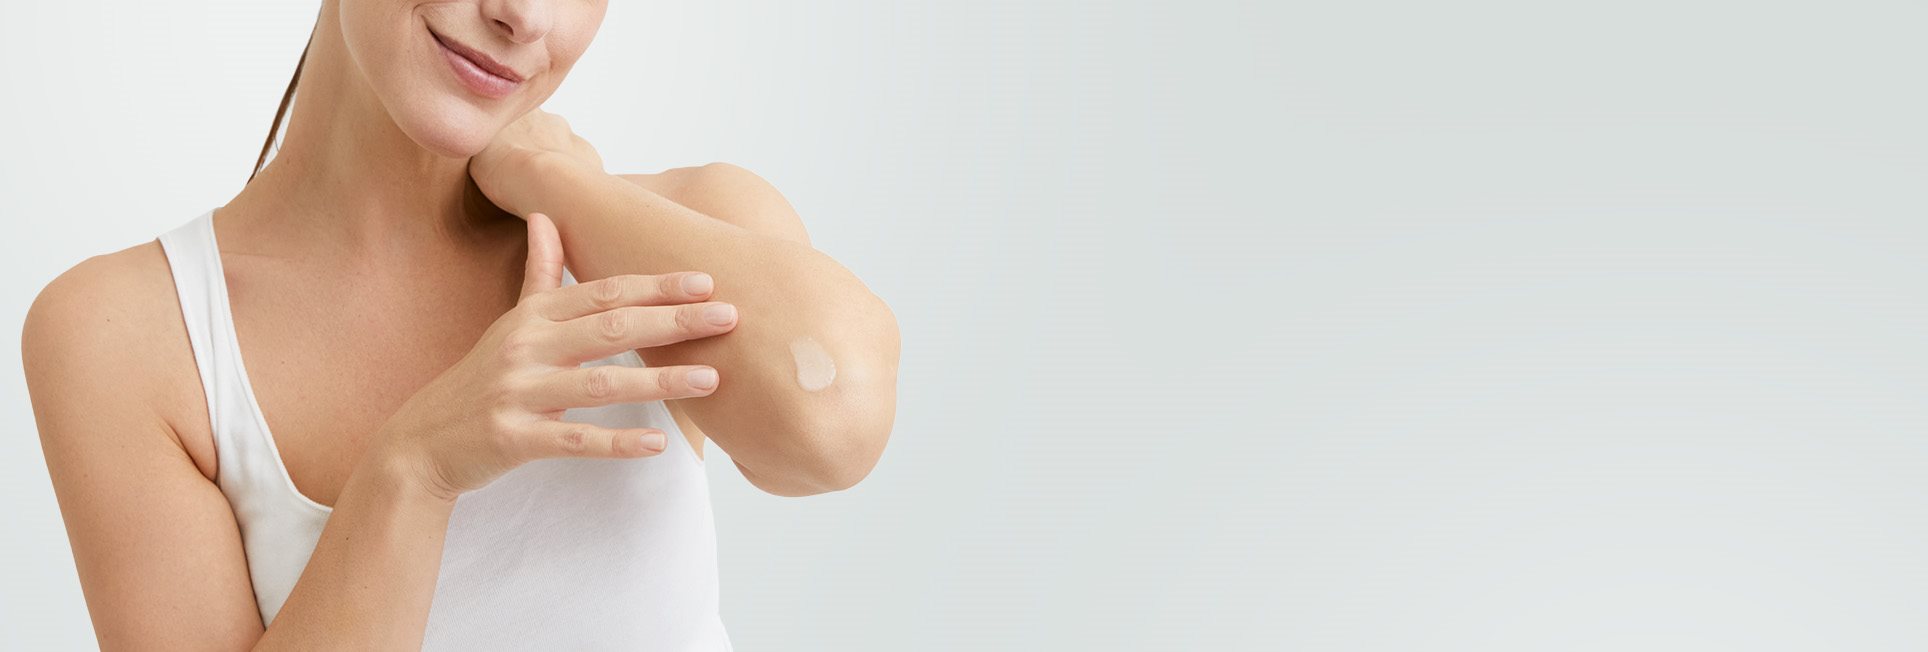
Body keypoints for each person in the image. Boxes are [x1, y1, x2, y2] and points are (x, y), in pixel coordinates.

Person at [20, 1, 901, 649]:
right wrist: (414, 469)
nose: (522, 15)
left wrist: (556, 184)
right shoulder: (127, 336)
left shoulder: (673, 228)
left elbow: (836, 423)